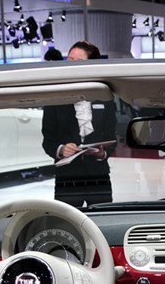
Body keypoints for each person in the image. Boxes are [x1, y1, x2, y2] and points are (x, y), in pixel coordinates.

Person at [41, 41, 117, 207]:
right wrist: (61, 149)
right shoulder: (55, 98)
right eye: (70, 59)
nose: (72, 65)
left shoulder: (104, 96)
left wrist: (102, 154)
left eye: (78, 61)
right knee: (67, 221)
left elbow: (112, 136)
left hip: (99, 177)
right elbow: (48, 141)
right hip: (67, 178)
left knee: (101, 219)